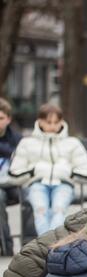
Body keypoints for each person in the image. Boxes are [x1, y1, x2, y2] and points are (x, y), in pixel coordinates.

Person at [9, 104, 87, 235]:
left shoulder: (73, 143)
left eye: (56, 122)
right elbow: (14, 172)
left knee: (58, 209)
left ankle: (49, 246)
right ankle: (49, 246)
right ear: (40, 122)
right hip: (36, 184)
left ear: (62, 122)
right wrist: (32, 171)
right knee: (40, 209)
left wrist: (70, 173)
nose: (53, 126)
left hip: (63, 184)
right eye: (48, 122)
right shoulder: (27, 143)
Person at [0, 98, 22, 255]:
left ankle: (31, 242)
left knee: (30, 195)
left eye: (1, 118)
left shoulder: (17, 139)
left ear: (8, 119)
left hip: (14, 184)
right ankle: (5, 244)